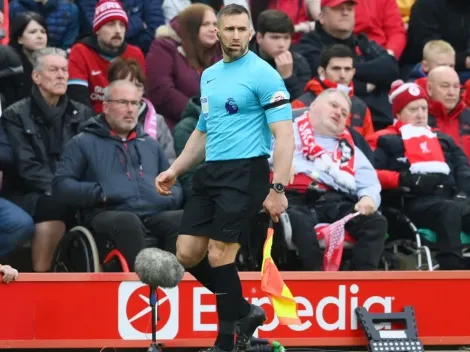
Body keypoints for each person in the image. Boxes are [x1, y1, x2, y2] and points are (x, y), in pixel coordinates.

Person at [155, 4, 294, 352]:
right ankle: (244, 311)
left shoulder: (264, 74)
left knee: (220, 255)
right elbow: (203, 131)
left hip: (247, 171)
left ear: (250, 33)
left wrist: (278, 187)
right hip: (211, 172)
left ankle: (225, 342)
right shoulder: (210, 75)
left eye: (240, 29)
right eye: (228, 29)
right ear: (217, 33)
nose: (235, 35)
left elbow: (285, 136)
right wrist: (176, 168)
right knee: (186, 253)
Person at [53, 80, 183, 271]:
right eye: (123, 102)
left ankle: (173, 283)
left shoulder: (149, 144)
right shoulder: (83, 142)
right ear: (106, 107)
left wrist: (169, 197)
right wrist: (100, 193)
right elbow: (60, 185)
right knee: (127, 222)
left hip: (153, 213)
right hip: (106, 214)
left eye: (135, 103)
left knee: (182, 219)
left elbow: (175, 184)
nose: (131, 109)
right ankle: (142, 285)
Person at [1, 47, 92, 272]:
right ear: (36, 76)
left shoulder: (82, 113)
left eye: (64, 70)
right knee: (53, 206)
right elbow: (26, 166)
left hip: (69, 188)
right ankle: (43, 277)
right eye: (53, 70)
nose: (61, 75)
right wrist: (63, 189)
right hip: (27, 192)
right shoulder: (15, 114)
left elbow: (88, 159)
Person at [367, 80, 470, 269]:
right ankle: (453, 271)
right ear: (398, 113)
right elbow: (370, 173)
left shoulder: (442, 138)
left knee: (455, 207)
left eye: (424, 108)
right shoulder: (385, 139)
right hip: (410, 201)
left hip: (451, 197)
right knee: (448, 210)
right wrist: (403, 178)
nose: (421, 114)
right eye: (413, 109)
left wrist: (463, 192)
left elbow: (463, 167)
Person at [282, 88, 387, 271]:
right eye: (333, 105)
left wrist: (368, 198)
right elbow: (258, 155)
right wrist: (280, 162)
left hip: (334, 201)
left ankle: (360, 286)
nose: (338, 112)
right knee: (299, 223)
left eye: (344, 112)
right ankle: (317, 286)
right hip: (294, 197)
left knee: (376, 223)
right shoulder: (284, 131)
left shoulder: (349, 148)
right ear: (313, 106)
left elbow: (369, 181)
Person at [108, 57, 176, 163]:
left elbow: (169, 163)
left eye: (138, 86)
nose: (132, 92)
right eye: (127, 85)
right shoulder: (101, 123)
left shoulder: (159, 122)